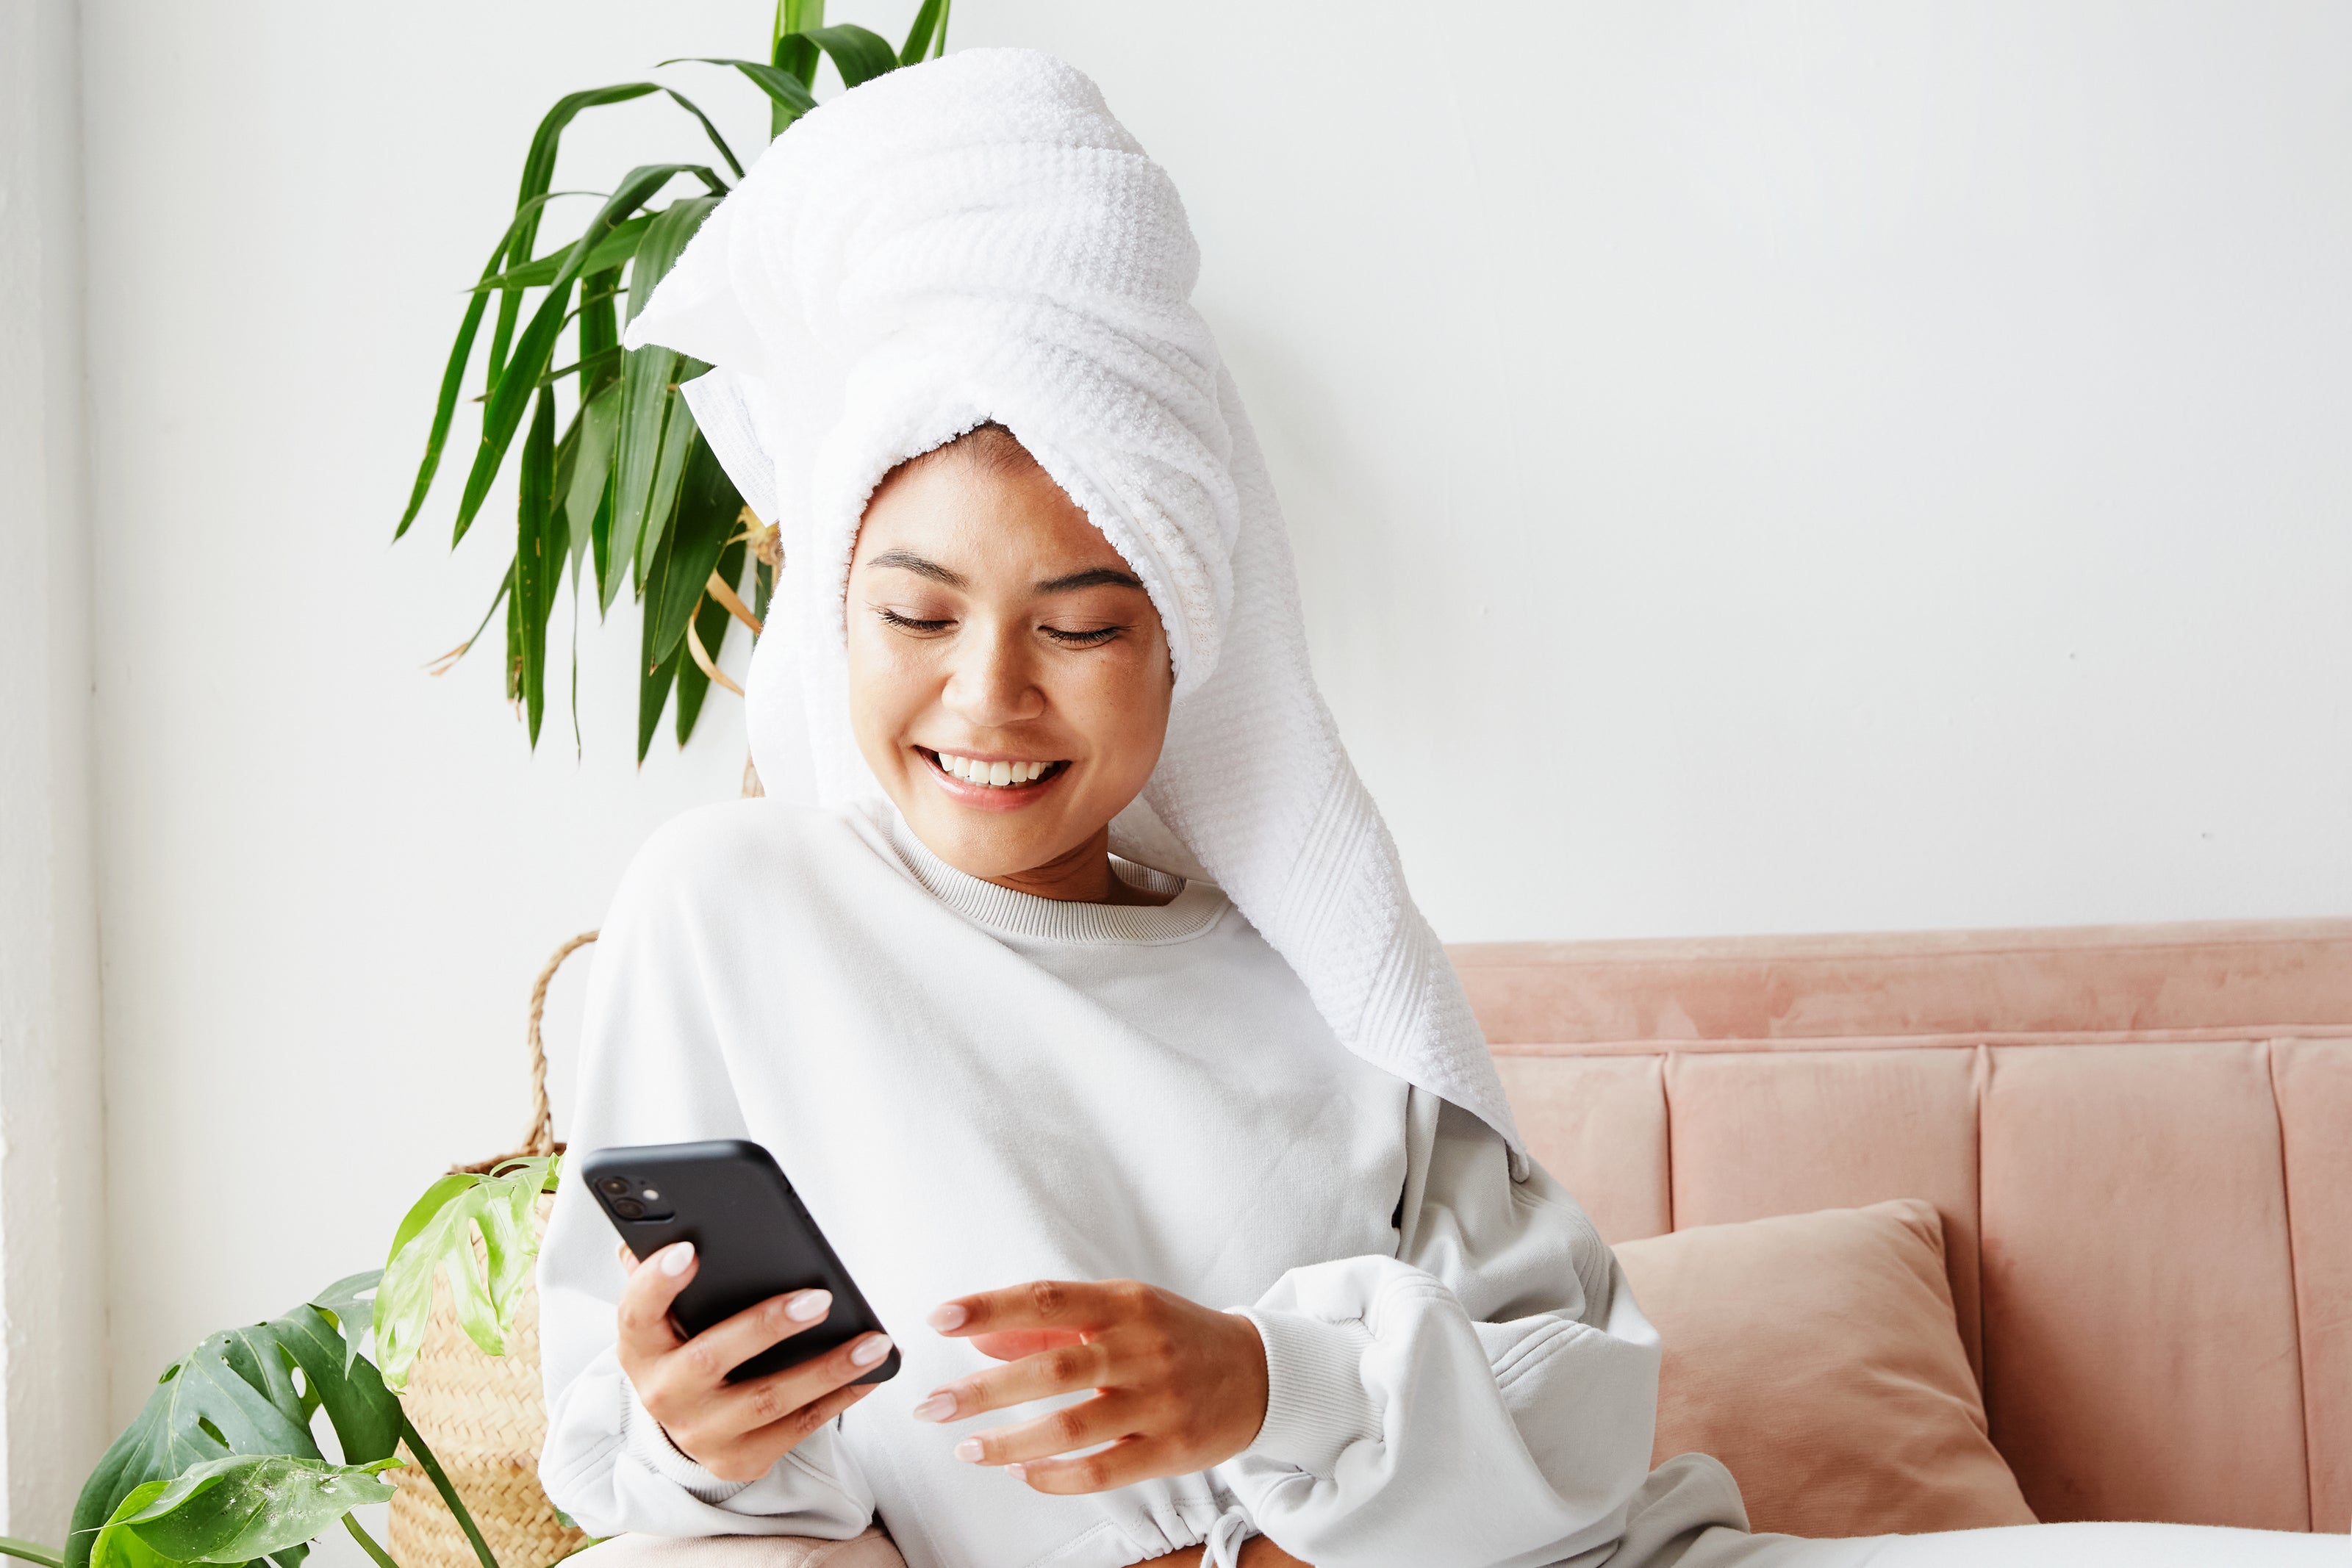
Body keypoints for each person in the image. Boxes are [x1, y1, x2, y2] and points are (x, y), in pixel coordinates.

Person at [536, 48, 2339, 1568]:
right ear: (831, 618)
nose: (988, 697)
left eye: (1081, 626)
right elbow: (660, 1471)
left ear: (1186, 645)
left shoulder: (1311, 978)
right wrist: (694, 1439)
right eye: (916, 616)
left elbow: (1588, 1407)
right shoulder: (734, 911)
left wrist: (1272, 1384)